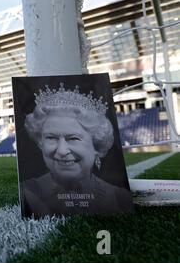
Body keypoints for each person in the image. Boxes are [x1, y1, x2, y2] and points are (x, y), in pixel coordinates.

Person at [21, 83, 133, 217]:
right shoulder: (26, 193)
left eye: (73, 138)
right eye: (51, 138)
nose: (62, 151)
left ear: (96, 145)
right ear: (41, 143)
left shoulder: (120, 198)